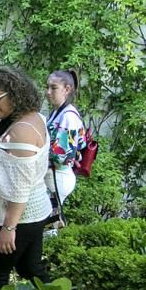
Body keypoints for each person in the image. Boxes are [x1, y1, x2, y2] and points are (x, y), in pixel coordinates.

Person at [0, 66, 53, 290]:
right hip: (34, 212)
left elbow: (20, 188)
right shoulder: (33, 117)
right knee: (32, 269)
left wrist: (8, 228)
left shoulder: (20, 131)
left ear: (15, 93)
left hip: (18, 217)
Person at [44, 68, 87, 218]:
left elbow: (62, 156)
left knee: (50, 225)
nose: (48, 92)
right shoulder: (59, 112)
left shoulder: (68, 117)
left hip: (58, 176)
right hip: (55, 175)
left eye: (53, 88)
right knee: (50, 224)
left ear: (67, 89)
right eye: (47, 87)